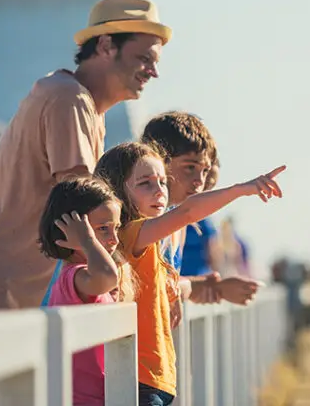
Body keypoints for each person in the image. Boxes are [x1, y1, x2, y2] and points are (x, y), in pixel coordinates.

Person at [0, 0, 169, 406]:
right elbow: (85, 212)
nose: (153, 71)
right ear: (105, 45)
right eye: (143, 58)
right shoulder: (69, 100)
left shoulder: (74, 99)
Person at [95, 141, 285, 405]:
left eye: (162, 182)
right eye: (145, 183)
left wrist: (207, 288)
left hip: (157, 379)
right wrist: (242, 190)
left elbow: (167, 288)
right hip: (140, 381)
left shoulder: (150, 245)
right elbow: (187, 211)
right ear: (117, 191)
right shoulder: (131, 234)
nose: (160, 191)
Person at [141, 112, 262, 306]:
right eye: (190, 167)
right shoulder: (142, 216)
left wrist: (214, 288)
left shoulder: (179, 221)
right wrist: (240, 190)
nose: (199, 181)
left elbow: (167, 285)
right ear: (158, 161)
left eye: (204, 171)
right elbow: (145, 287)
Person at [38, 176, 136, 405]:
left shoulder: (86, 275)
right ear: (68, 233)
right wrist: (87, 240)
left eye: (116, 228)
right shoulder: (74, 277)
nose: (114, 239)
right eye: (103, 229)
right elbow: (108, 277)